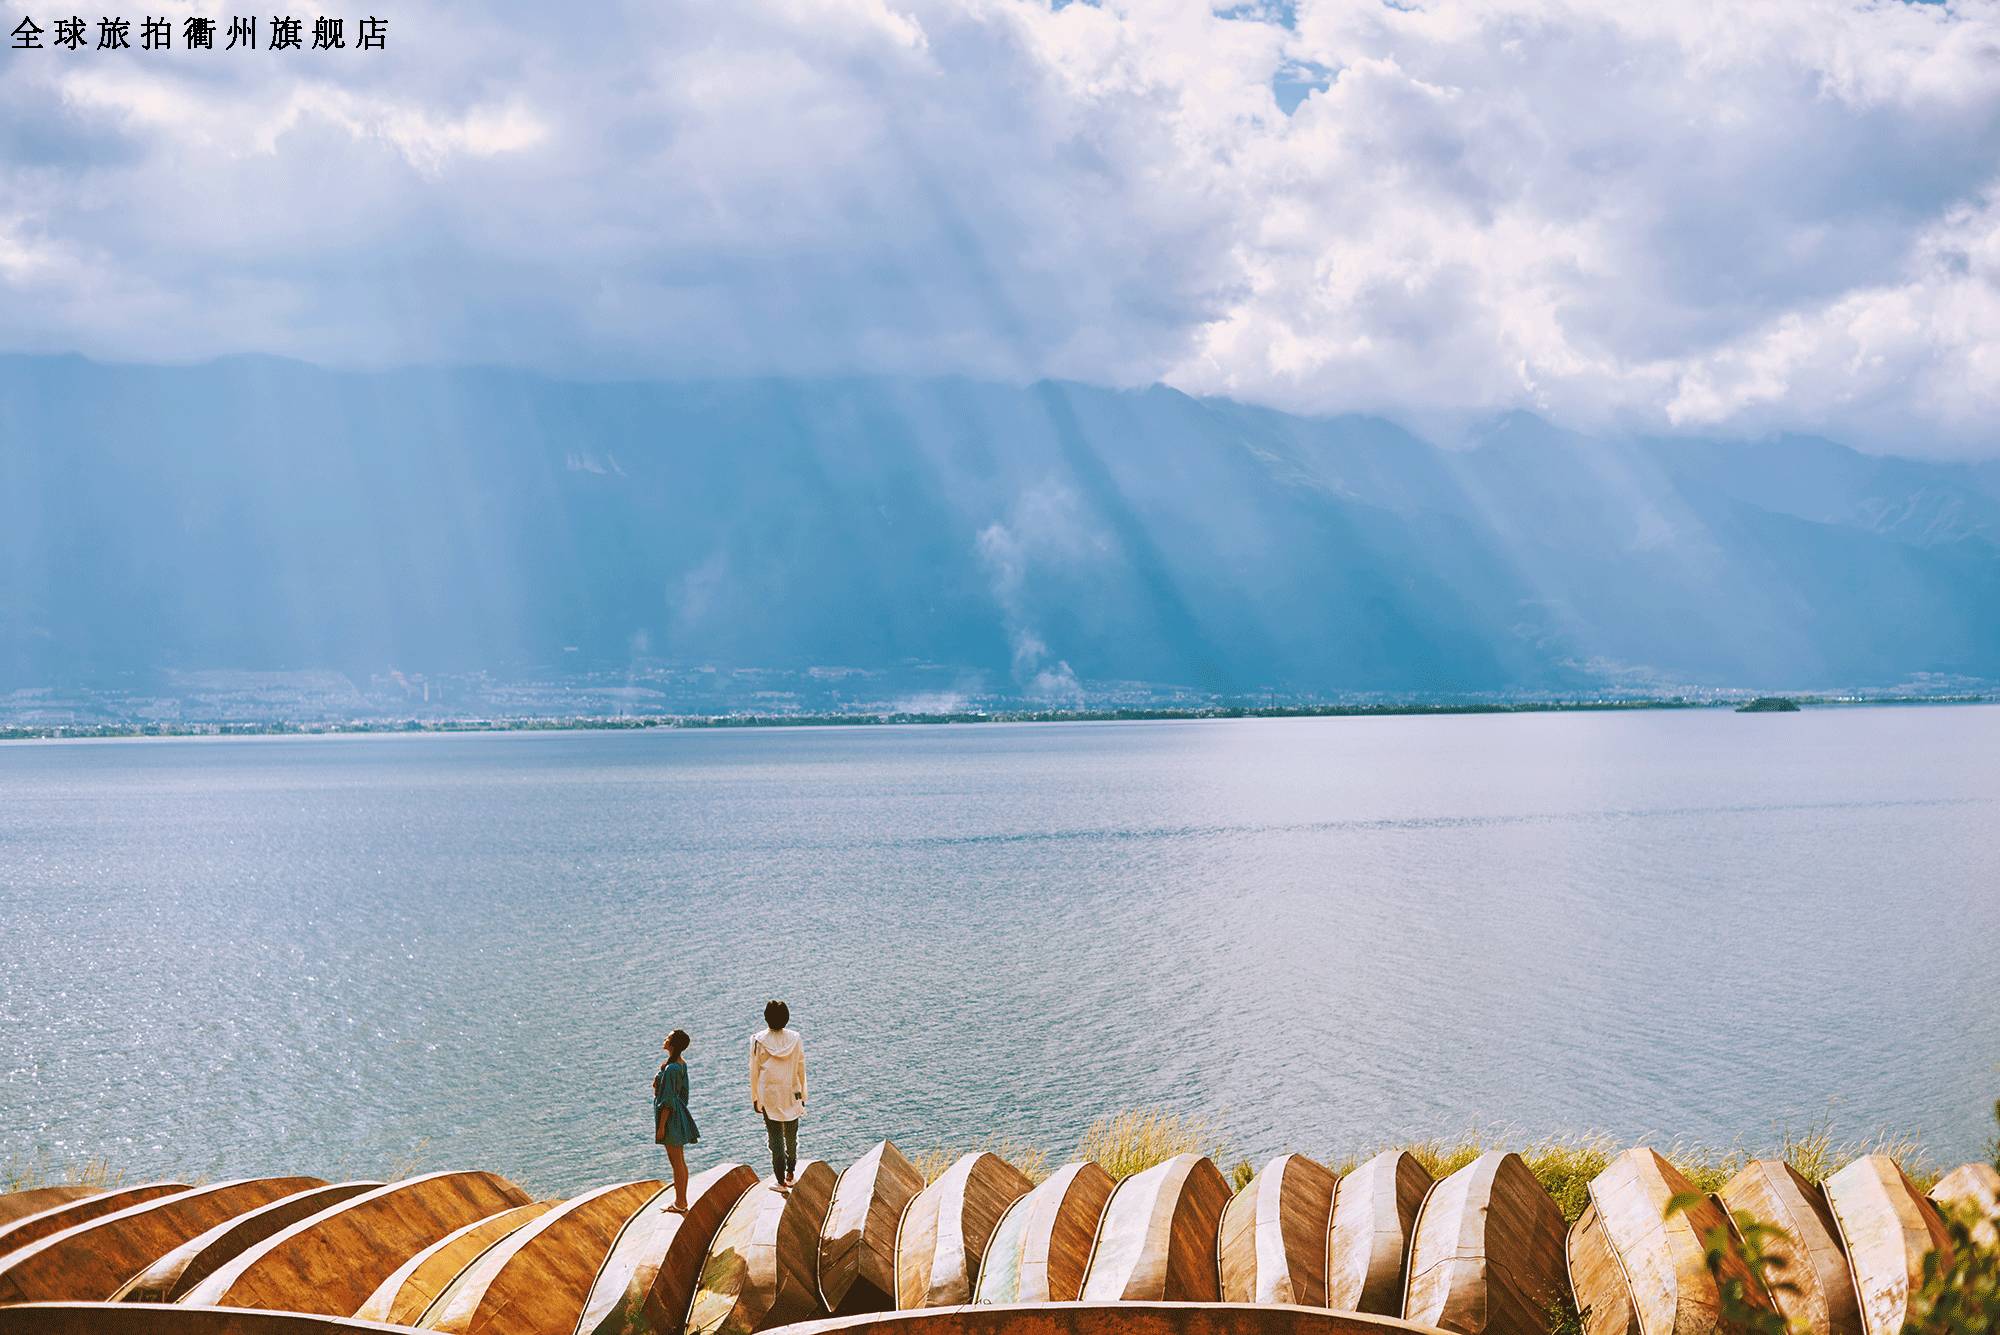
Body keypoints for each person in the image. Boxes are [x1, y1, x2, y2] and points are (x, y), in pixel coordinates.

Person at [749, 1000, 806, 1189]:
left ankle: (780, 1180)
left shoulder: (757, 1040)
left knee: (775, 1139)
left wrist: (755, 1098)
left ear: (766, 1018)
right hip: (792, 1092)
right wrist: (803, 1095)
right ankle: (791, 1173)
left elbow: (754, 1070)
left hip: (769, 1095)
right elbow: (800, 1067)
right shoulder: (795, 1038)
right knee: (791, 1136)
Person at [653, 1029, 698, 1213]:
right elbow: (681, 1094)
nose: (665, 1039)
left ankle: (680, 1202)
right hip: (678, 1114)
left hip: (670, 1118)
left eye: (668, 1037)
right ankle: (681, 1200)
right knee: (679, 1160)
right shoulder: (679, 1064)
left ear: (672, 1045)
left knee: (676, 1161)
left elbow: (668, 1101)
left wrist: (661, 1127)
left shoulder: (672, 1068)